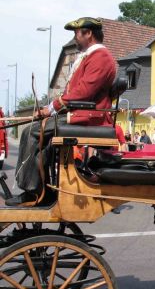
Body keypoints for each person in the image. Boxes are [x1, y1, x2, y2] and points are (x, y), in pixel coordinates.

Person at [7, 17, 116, 206]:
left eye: (77, 34)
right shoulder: (91, 57)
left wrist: (51, 108)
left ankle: (32, 191)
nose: (75, 39)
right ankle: (45, 190)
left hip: (90, 118)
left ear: (88, 33)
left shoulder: (101, 57)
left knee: (31, 132)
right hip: (80, 114)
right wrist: (52, 110)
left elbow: (83, 92)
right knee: (43, 138)